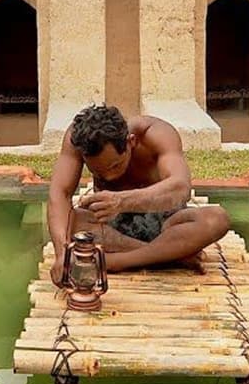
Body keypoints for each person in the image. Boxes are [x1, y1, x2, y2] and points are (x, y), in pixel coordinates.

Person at [48, 104, 231, 286]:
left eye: (115, 165)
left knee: (216, 219)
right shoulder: (79, 140)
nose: (109, 177)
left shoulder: (156, 134)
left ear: (131, 142)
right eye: (98, 171)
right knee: (72, 220)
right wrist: (62, 254)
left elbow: (181, 188)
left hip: (166, 223)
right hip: (115, 231)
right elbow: (60, 194)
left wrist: (122, 201)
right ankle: (170, 256)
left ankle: (116, 262)